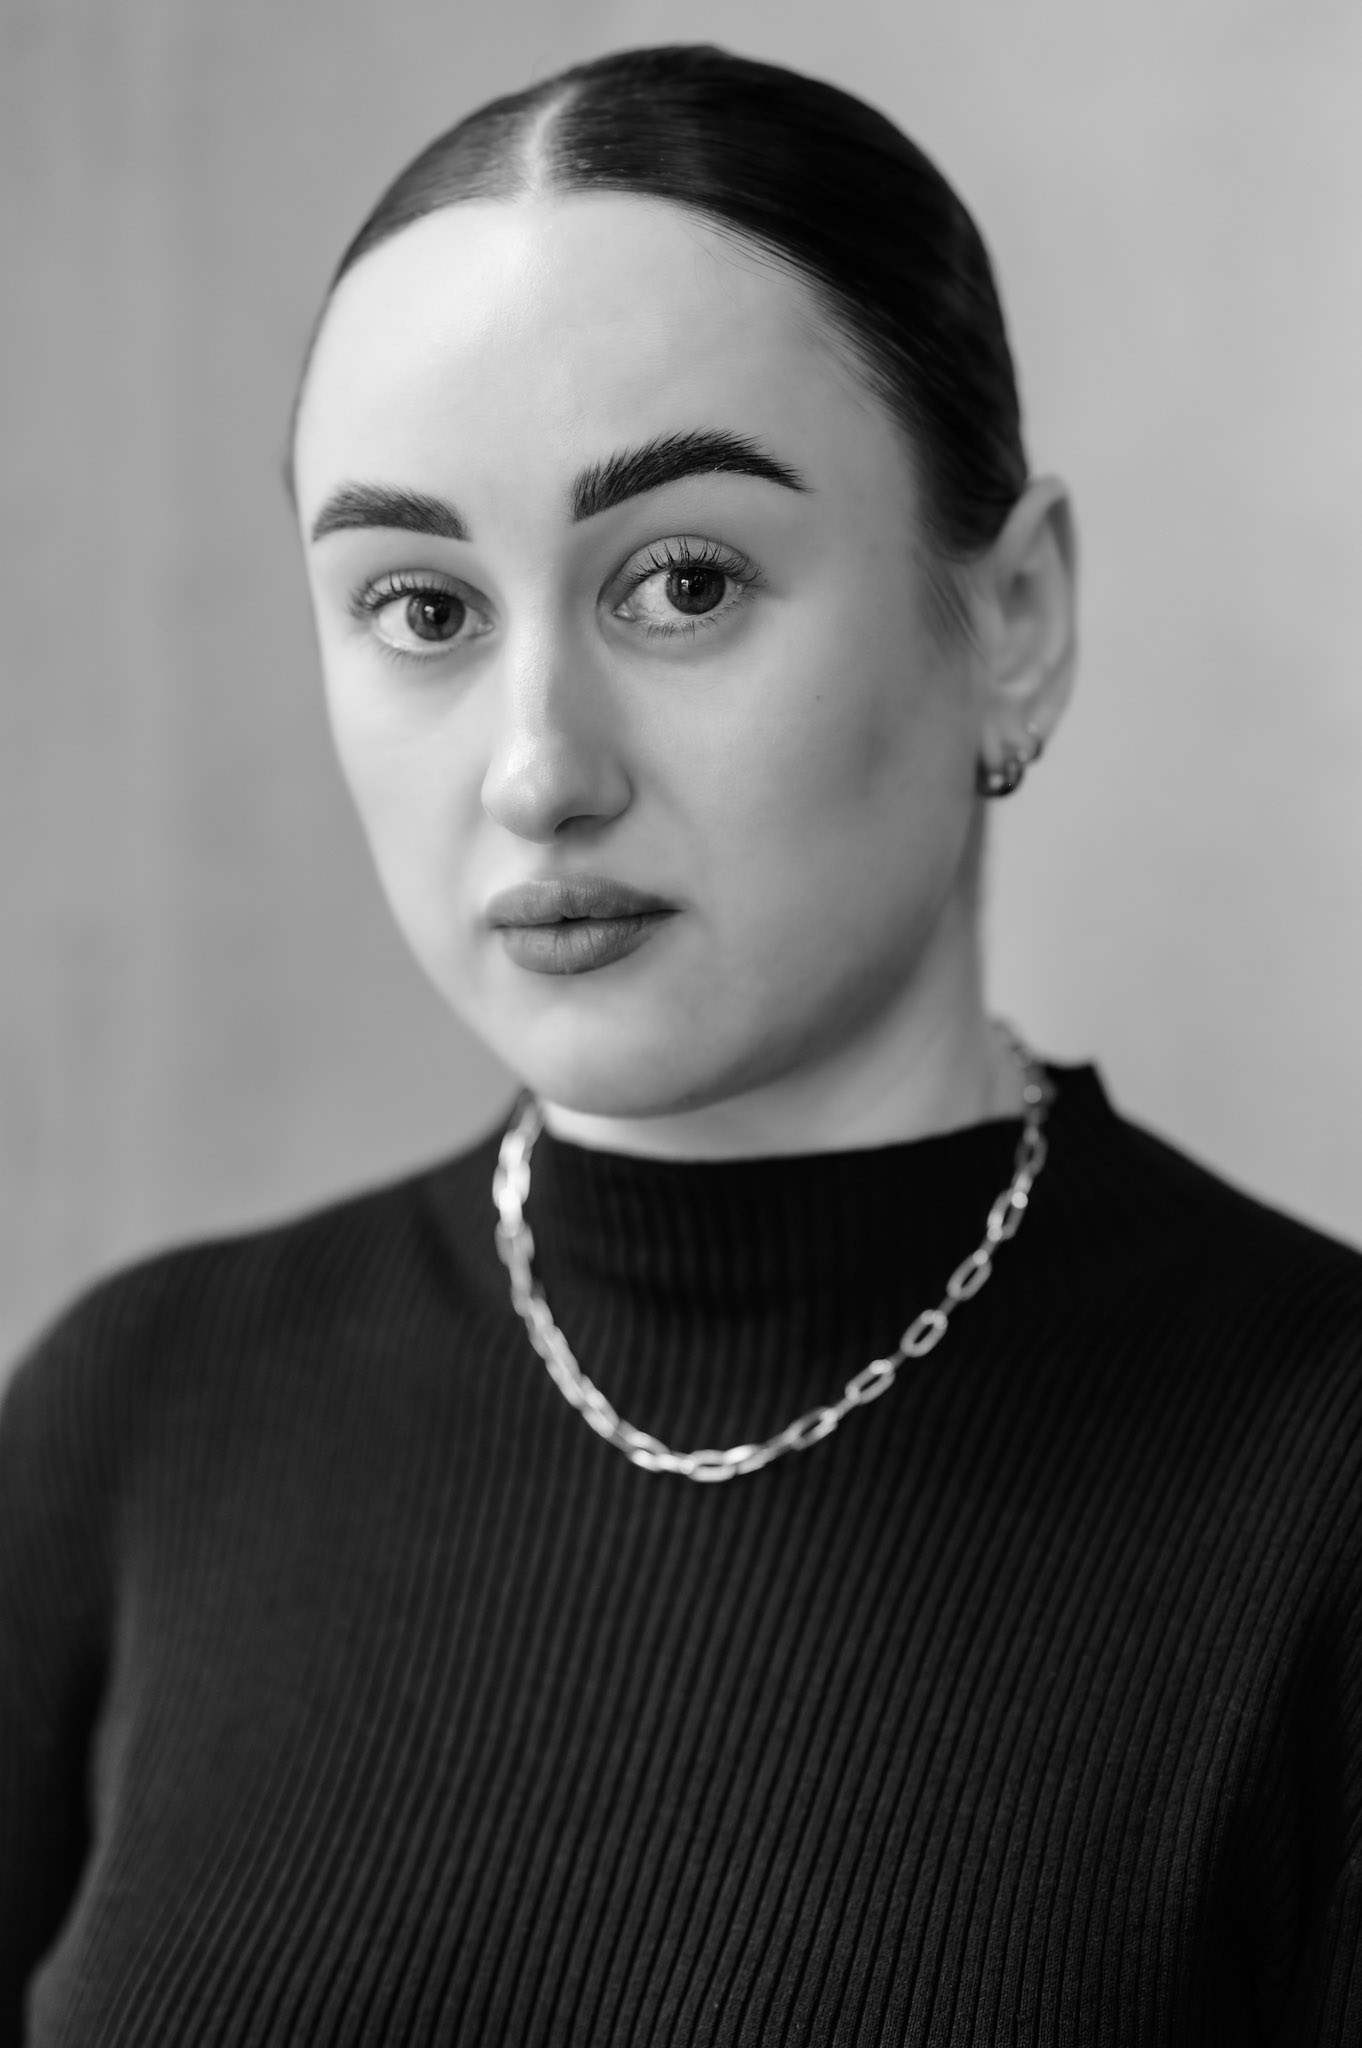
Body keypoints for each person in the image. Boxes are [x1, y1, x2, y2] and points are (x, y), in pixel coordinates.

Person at [2, 41, 1360, 2047]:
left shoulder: (1320, 1488)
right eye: (421, 608)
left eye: (683, 582)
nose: (538, 770)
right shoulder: (138, 1415)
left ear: (1013, 620)